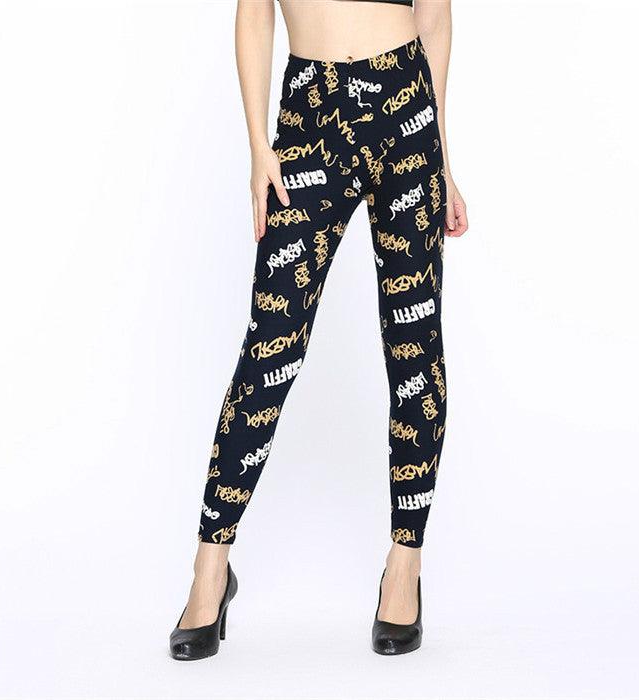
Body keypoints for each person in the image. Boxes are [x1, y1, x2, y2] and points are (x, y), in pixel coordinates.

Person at [170, 0, 468, 660]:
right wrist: (259, 146)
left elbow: (434, 18)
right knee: (270, 343)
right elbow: (254, 14)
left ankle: (404, 566)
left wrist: (443, 157)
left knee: (415, 347)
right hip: (311, 109)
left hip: (405, 106)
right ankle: (210, 569)